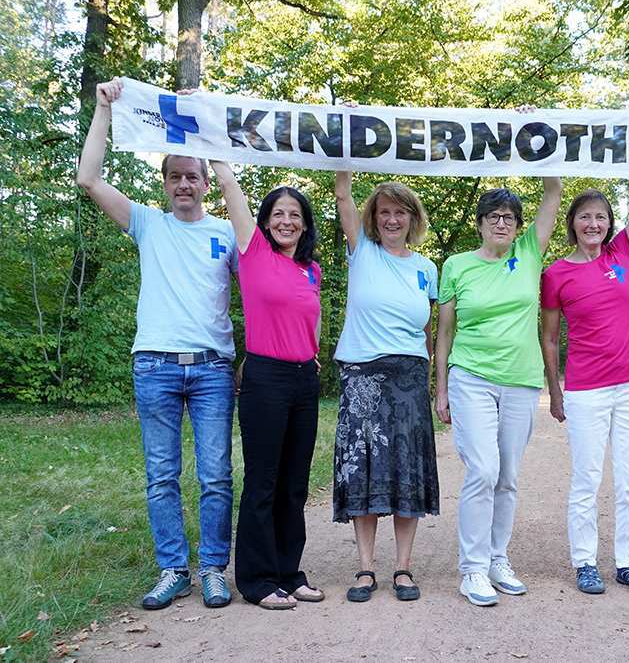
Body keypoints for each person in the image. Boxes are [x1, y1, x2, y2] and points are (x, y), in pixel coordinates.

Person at [76, 78, 236, 610]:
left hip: (213, 368)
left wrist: (207, 119)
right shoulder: (147, 223)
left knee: (215, 475)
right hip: (155, 367)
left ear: (205, 182)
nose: (184, 184)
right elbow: (88, 179)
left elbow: (262, 283)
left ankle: (213, 568)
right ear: (165, 183)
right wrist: (103, 110)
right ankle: (174, 569)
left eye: (193, 175)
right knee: (161, 475)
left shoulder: (227, 234)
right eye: (175, 177)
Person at [435, 177, 562, 607]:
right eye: (494, 217)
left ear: (519, 226)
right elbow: (444, 332)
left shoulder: (529, 253)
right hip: (470, 376)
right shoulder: (456, 265)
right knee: (483, 470)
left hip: (521, 381)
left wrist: (531, 136)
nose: (502, 224)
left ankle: (496, 559)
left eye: (509, 218)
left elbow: (553, 193)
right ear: (480, 224)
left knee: (507, 477)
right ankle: (471, 569)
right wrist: (440, 388)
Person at [540, 182, 629, 595]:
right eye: (584, 216)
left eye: (600, 217)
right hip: (585, 388)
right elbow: (551, 338)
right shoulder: (556, 273)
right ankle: (585, 562)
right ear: (572, 224)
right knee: (587, 478)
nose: (593, 223)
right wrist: (555, 391)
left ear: (609, 223)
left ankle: (627, 562)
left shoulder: (622, 252)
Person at [211, 163, 325, 610]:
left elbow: (304, 322)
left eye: (295, 214)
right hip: (265, 379)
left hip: (304, 380)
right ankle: (257, 581)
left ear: (305, 223)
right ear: (264, 221)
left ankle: (288, 572)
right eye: (278, 213)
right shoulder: (252, 251)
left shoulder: (311, 269)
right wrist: (218, 151)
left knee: (295, 483)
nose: (286, 221)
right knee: (263, 480)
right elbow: (228, 188)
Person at [331, 171, 440, 602]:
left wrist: (431, 380)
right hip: (362, 375)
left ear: (413, 218)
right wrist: (347, 141)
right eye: (385, 212)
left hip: (409, 378)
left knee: (405, 472)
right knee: (364, 470)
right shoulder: (362, 251)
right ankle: (364, 569)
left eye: (401, 212)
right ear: (373, 218)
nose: (392, 219)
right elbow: (342, 192)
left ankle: (403, 568)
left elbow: (428, 330)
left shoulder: (426, 268)